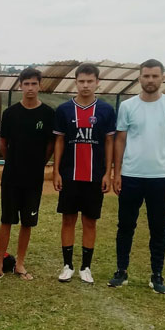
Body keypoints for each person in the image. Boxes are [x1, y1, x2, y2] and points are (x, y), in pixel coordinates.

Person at [108, 59, 165, 294]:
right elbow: (120, 139)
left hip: (159, 177)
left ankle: (157, 275)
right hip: (131, 175)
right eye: (146, 76)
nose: (150, 80)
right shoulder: (128, 106)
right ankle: (121, 271)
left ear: (162, 78)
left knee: (158, 227)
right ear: (139, 78)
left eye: (154, 76)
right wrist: (117, 172)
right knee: (125, 226)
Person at [53, 63, 116, 284]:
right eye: (82, 81)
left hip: (95, 176)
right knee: (68, 219)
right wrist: (56, 171)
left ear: (98, 82)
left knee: (90, 221)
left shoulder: (106, 110)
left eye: (90, 81)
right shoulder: (64, 110)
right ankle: (67, 265)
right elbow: (59, 140)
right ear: (76, 82)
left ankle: (85, 267)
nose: (86, 85)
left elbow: (109, 142)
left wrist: (108, 173)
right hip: (70, 175)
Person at [0, 68, 54, 281]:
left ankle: (20, 263)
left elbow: (50, 146)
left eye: (34, 84)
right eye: (26, 84)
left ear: (40, 85)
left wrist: (37, 165)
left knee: (28, 222)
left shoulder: (47, 114)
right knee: (6, 220)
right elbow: (3, 144)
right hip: (11, 177)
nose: (30, 88)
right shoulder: (10, 114)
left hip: (34, 179)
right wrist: (15, 163)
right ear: (20, 86)